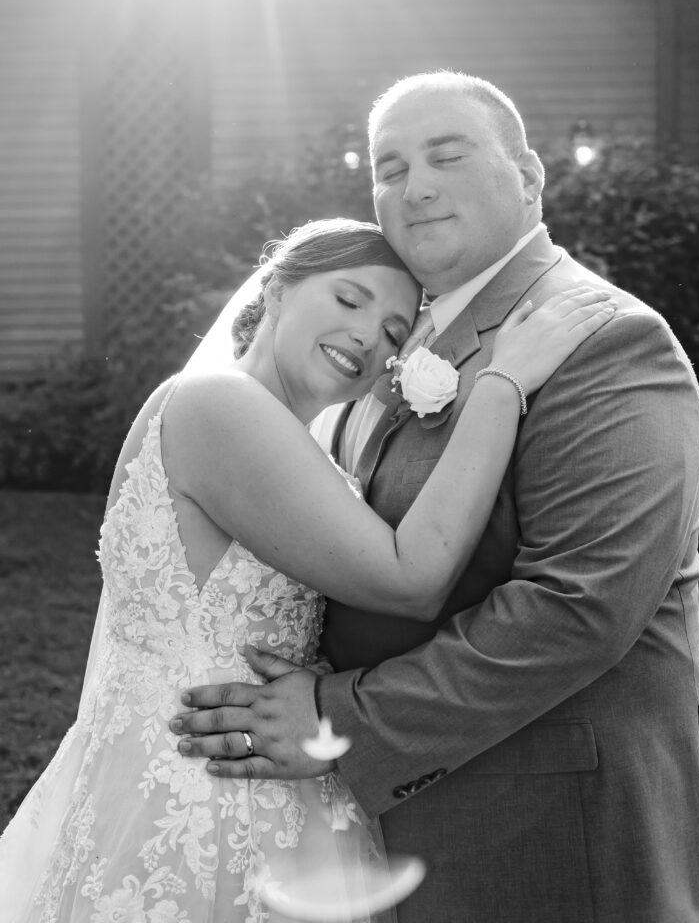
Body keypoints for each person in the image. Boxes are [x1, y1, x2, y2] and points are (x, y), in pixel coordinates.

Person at [171, 72, 699, 923]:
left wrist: (338, 716)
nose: (413, 183)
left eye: (447, 154)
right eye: (389, 167)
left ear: (528, 176)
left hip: (550, 831)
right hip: (397, 826)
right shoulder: (388, 344)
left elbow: (579, 608)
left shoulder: (601, 340)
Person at [0, 216, 611, 923]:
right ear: (279, 288)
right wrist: (502, 385)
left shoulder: (286, 435)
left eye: (391, 331)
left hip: (256, 767)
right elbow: (410, 578)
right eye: (350, 300)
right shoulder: (220, 405)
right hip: (205, 796)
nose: (367, 336)